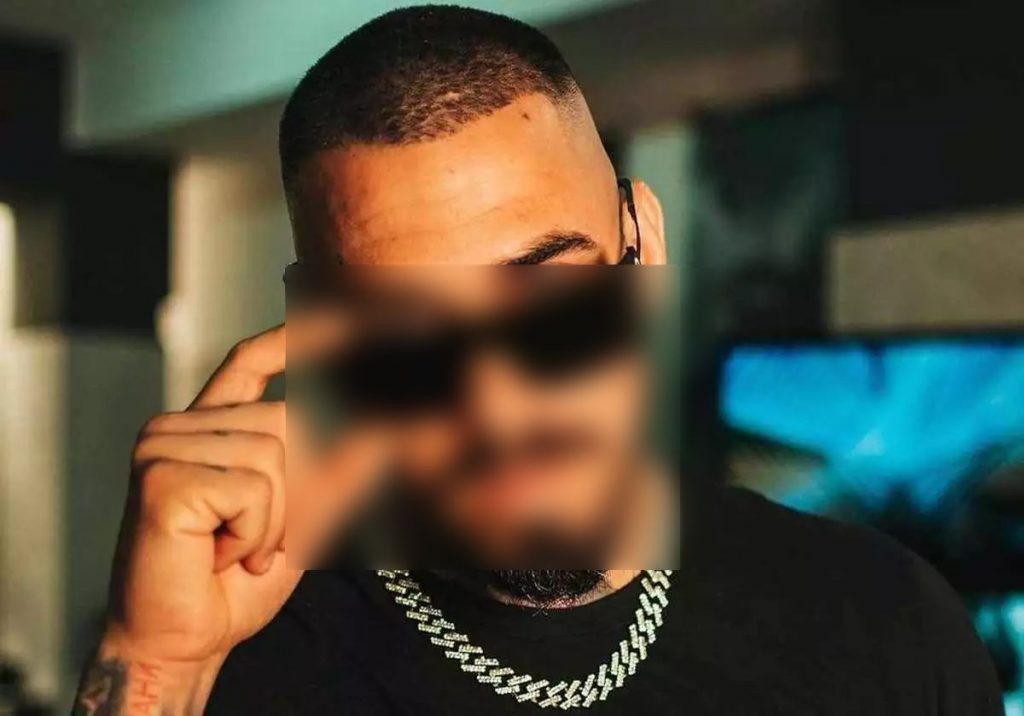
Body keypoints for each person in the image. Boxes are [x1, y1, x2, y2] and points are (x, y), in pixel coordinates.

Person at [73, 5, 1004, 715]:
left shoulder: (885, 621)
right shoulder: (242, 656)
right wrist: (156, 667)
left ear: (645, 243)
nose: (498, 403)